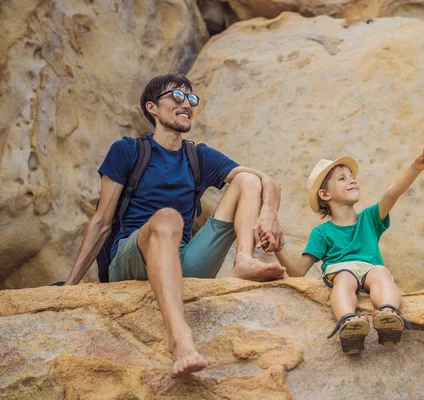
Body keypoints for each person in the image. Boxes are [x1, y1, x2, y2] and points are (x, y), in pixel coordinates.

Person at [64, 73, 286, 376]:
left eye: (191, 99)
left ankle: (244, 260)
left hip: (183, 261)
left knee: (247, 179)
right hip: (132, 257)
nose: (187, 104)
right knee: (168, 218)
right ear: (152, 108)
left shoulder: (197, 155)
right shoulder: (128, 151)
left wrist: (268, 213)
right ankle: (180, 340)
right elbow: (102, 221)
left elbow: (265, 180)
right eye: (177, 97)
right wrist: (68, 288)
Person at [262, 142, 424, 354]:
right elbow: (298, 272)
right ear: (325, 195)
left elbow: (392, 194)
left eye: (352, 176)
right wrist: (278, 249)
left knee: (380, 271)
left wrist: (416, 167)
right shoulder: (322, 232)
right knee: (345, 277)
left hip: (370, 269)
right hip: (340, 271)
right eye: (342, 178)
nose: (352, 180)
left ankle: (388, 314)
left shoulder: (369, 218)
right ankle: (348, 322)